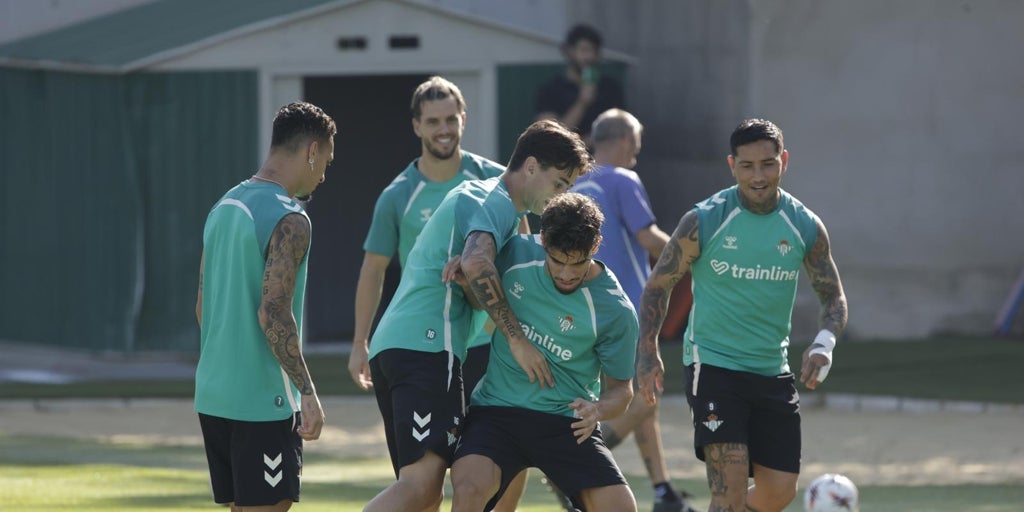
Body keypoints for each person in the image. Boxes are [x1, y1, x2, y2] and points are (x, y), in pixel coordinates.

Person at [362, 119, 592, 512]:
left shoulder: (484, 199)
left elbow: (474, 266)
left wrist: (475, 271)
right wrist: (518, 341)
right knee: (420, 489)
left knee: (425, 495)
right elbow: (476, 261)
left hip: (397, 346)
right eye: (559, 184)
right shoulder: (498, 201)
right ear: (531, 166)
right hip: (429, 346)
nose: (560, 197)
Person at [635, 118, 849, 512]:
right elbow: (657, 285)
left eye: (767, 164)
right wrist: (647, 350)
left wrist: (824, 344)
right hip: (714, 366)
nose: (758, 176)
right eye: (747, 166)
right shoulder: (703, 220)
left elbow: (832, 295)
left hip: (771, 370)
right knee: (729, 491)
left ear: (783, 161)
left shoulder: (804, 225)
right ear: (732, 166)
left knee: (778, 493)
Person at [346, 75, 527, 512]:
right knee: (423, 484)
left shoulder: (495, 181)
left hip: (488, 343)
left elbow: (522, 258)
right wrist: (358, 344)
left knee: (505, 461)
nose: (443, 129)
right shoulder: (399, 195)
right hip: (429, 343)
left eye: (451, 118)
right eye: (433, 121)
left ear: (464, 119)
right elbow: (373, 269)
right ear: (416, 127)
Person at [449, 192, 638, 512]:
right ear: (544, 240)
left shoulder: (615, 310)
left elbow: (622, 392)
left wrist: (598, 409)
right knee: (468, 489)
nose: (566, 273)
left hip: (567, 423)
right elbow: (477, 299)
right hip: (497, 412)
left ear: (595, 246)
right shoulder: (515, 254)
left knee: (621, 508)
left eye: (577, 262)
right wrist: (468, 283)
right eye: (557, 260)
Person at [194, 101, 335, 511]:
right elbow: (272, 312)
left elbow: (202, 307)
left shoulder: (222, 207)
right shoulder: (290, 218)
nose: (324, 174)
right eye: (325, 161)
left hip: (213, 396)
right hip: (262, 401)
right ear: (311, 151)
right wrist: (306, 391)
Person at [571, 109, 698, 512]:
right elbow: (647, 236)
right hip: (628, 307)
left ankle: (663, 492)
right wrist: (694, 255)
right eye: (637, 147)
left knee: (640, 402)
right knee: (644, 395)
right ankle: (578, 466)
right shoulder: (623, 178)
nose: (637, 157)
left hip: (583, 308)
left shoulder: (574, 183)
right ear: (625, 141)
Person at [535, 23, 625, 140]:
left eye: (594, 51)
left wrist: (590, 142)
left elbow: (619, 128)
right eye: (584, 50)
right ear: (569, 51)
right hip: (564, 156)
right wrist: (582, 103)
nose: (589, 57)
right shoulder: (550, 89)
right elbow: (549, 135)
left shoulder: (609, 88)